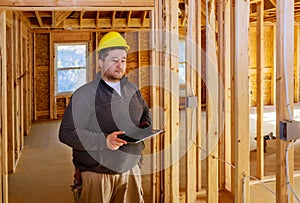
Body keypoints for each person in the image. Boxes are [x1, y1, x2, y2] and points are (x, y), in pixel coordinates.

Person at [59, 31, 151, 203]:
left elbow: (145, 110)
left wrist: (145, 126)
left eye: (123, 60)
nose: (120, 65)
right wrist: (103, 141)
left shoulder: (131, 89)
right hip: (98, 173)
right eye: (114, 60)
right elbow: (66, 132)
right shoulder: (84, 95)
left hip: (131, 169)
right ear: (100, 63)